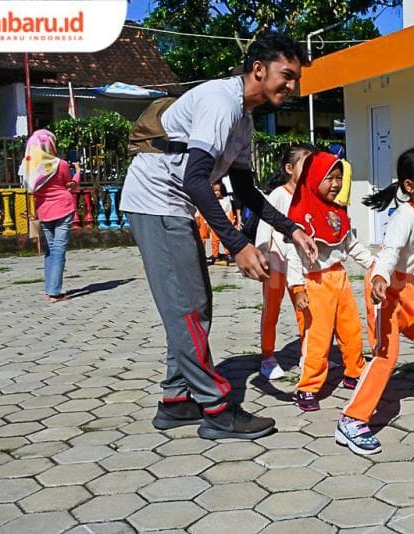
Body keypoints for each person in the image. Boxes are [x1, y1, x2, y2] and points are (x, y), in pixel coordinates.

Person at [120, 32, 318, 441]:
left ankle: (177, 400)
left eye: (296, 78)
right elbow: (196, 179)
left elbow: (244, 190)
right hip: (156, 201)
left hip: (172, 204)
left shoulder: (244, 118)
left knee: (196, 304)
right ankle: (217, 408)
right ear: (258, 69)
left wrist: (291, 228)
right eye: (286, 75)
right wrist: (238, 244)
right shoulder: (221, 102)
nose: (292, 86)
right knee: (187, 309)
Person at [335, 146, 414, 456]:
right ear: (409, 186)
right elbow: (389, 252)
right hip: (384, 288)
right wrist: (379, 277)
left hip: (409, 289)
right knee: (385, 357)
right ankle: (351, 421)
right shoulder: (403, 218)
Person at [286, 151, 375, 411]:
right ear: (313, 178)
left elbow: (351, 244)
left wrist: (374, 264)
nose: (335, 184)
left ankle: (354, 371)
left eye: (339, 178)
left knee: (351, 330)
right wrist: (297, 287)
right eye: (329, 178)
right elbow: (293, 255)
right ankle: (308, 387)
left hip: (340, 278)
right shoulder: (300, 212)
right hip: (314, 283)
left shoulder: (338, 211)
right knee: (318, 337)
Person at [255, 142, 315, 380]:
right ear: (290, 168)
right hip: (276, 265)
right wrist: (262, 255)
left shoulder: (310, 195)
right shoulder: (279, 195)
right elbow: (264, 226)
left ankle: (308, 354)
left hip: (301, 268)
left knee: (306, 310)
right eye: (306, 164)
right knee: (272, 311)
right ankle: (267, 357)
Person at [19, 129, 80, 303]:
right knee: (59, 249)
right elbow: (70, 185)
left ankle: (49, 288)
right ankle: (55, 292)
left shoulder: (29, 167)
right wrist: (77, 172)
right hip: (63, 207)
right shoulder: (59, 164)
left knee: (50, 249)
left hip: (44, 210)